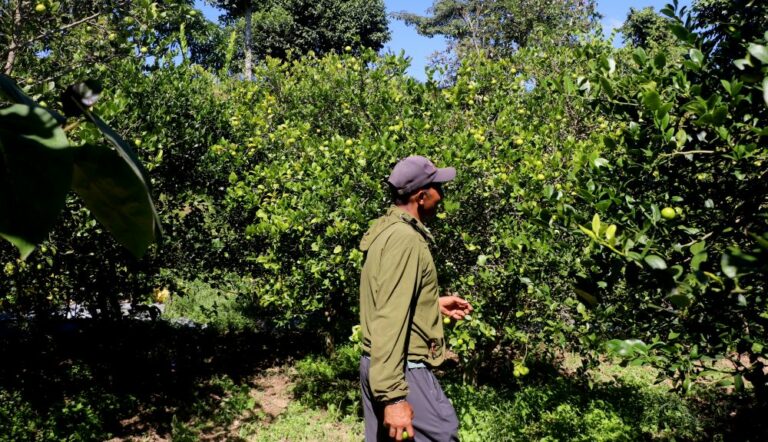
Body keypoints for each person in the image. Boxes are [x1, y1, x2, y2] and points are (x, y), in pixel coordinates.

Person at [359, 155, 473, 441]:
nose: (442, 196)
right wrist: (394, 397)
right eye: (438, 188)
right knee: (442, 434)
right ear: (422, 196)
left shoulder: (386, 229)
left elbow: (385, 296)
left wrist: (431, 304)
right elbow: (389, 316)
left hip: (376, 362)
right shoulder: (405, 239)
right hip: (401, 367)